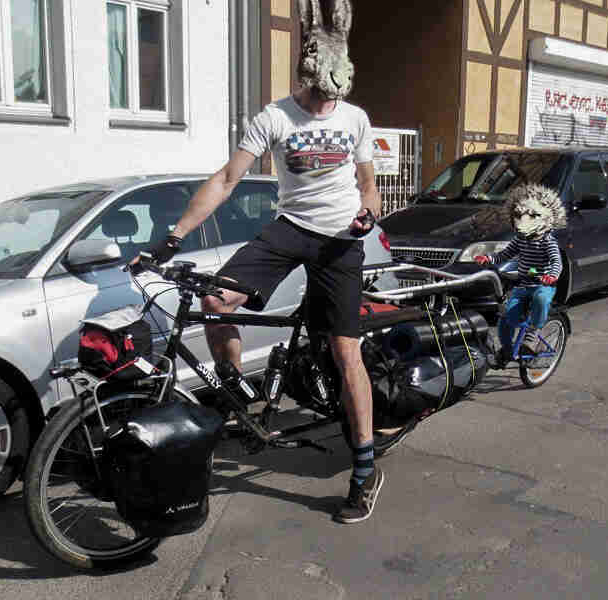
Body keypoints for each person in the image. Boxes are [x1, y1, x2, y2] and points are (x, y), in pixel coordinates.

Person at [133, 0, 384, 524]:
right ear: (307, 76)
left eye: (332, 97)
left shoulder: (355, 119)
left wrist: (368, 215)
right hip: (289, 229)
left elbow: (368, 186)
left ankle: (364, 471)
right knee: (214, 299)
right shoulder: (274, 117)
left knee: (345, 354)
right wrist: (173, 236)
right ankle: (235, 387)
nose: (324, 105)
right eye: (319, 94)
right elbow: (226, 180)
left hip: (341, 240)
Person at [474, 182, 567, 365]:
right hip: (523, 285)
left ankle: (533, 332)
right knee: (506, 318)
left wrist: (552, 275)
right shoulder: (520, 239)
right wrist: (489, 259)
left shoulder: (548, 242)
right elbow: (505, 254)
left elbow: (557, 261)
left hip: (543, 285)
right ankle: (507, 351)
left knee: (541, 299)